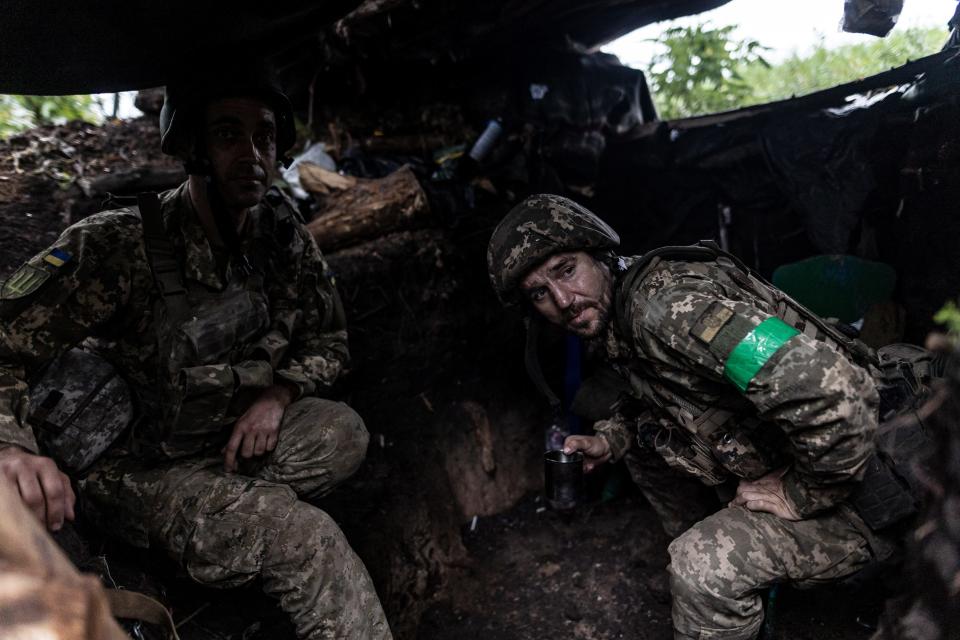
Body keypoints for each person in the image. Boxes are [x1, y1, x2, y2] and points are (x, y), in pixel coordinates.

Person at [0, 61, 392, 639]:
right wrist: (10, 447)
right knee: (304, 538)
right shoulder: (118, 243)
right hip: (138, 472)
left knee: (344, 432)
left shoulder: (281, 233)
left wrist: (280, 395)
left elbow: (330, 338)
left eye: (264, 136)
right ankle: (229, 526)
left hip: (226, 441)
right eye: (228, 134)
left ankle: (229, 513)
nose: (252, 155)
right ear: (191, 146)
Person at [487, 194, 928, 640]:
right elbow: (657, 396)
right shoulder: (622, 304)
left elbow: (834, 391)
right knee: (646, 446)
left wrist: (801, 494)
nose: (562, 300)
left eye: (566, 269)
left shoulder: (665, 310)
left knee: (699, 570)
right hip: (827, 444)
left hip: (876, 475)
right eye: (540, 293)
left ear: (599, 254)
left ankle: (716, 586)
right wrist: (611, 439)